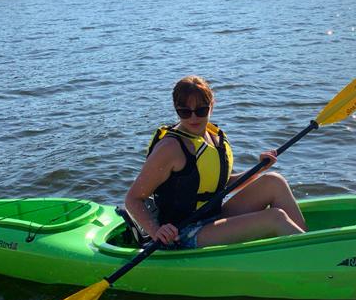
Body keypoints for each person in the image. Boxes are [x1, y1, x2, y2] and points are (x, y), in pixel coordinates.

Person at [124, 75, 307, 249]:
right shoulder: (170, 147)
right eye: (185, 112)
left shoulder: (214, 138)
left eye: (201, 110)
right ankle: (315, 256)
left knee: (274, 181)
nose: (193, 118)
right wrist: (156, 231)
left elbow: (218, 185)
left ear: (212, 105)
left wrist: (259, 169)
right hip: (185, 232)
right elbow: (133, 199)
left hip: (212, 218)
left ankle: (308, 243)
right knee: (274, 218)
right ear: (176, 109)